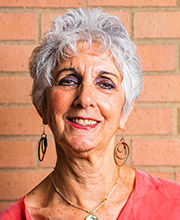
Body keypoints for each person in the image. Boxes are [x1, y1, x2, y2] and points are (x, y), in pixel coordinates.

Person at [0, 8, 180, 220]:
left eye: (105, 84)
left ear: (125, 111)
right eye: (68, 80)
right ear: (43, 105)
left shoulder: (174, 204)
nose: (84, 99)